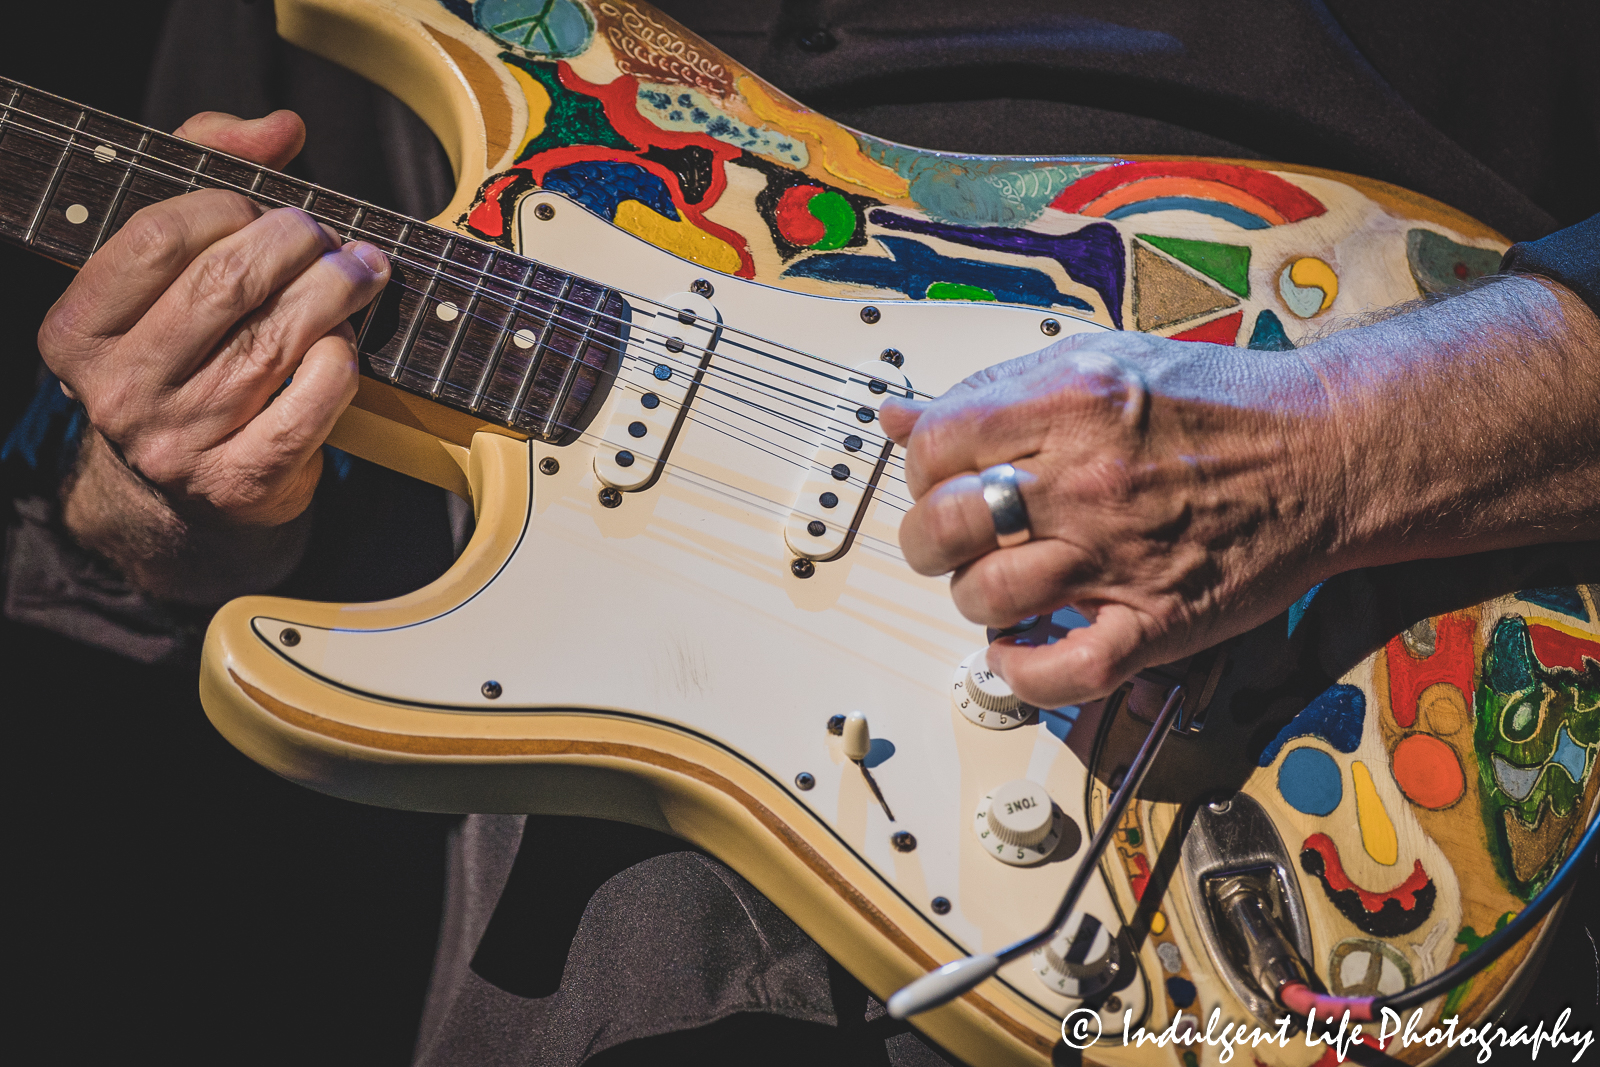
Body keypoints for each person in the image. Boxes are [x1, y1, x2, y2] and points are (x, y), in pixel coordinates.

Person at [5, 2, 1596, 1064]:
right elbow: (128, 496)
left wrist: (1332, 453)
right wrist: (154, 471)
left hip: (1406, 654)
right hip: (619, 924)